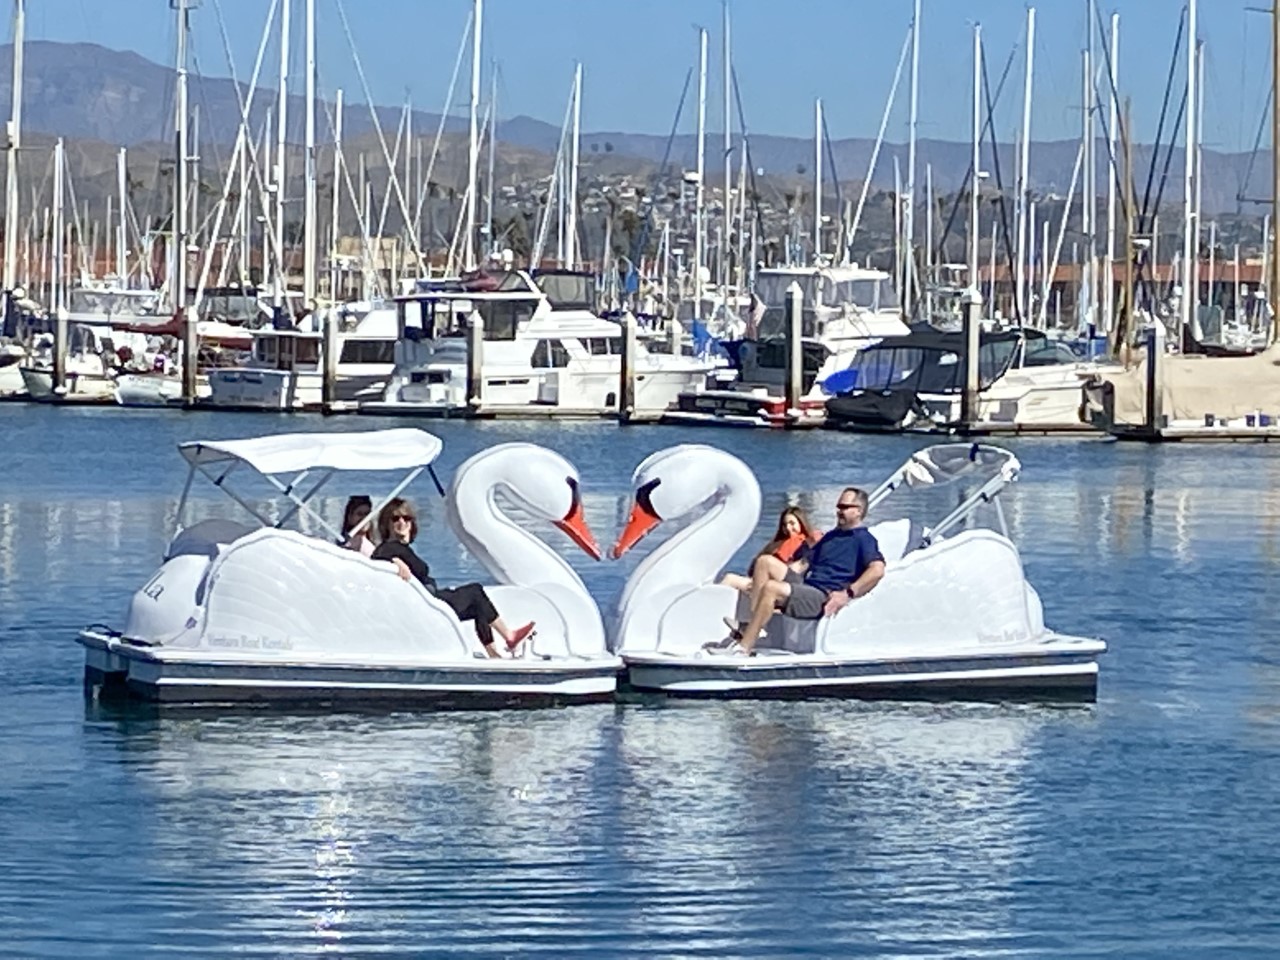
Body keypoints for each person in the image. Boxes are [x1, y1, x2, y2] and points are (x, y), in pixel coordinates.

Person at [729, 487, 886, 656]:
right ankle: (754, 626)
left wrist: (847, 593)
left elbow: (877, 570)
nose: (838, 511)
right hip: (807, 585)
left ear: (858, 511)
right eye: (838, 507)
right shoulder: (831, 536)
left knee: (772, 588)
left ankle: (745, 647)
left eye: (844, 507)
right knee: (765, 562)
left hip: (823, 594)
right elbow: (803, 563)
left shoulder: (864, 539)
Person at [371, 498, 535, 658]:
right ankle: (509, 636)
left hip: (427, 600)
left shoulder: (402, 548)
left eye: (407, 518)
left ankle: (494, 655)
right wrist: (394, 561)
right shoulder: (389, 548)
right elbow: (378, 557)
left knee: (478, 607)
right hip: (427, 605)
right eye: (395, 518)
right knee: (475, 592)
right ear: (386, 524)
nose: (402, 522)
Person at [719, 506, 820, 613]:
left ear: (801, 523)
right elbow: (752, 569)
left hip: (781, 587)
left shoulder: (807, 545)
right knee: (729, 578)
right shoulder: (777, 544)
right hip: (758, 583)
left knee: (730, 579)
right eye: (784, 525)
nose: (788, 528)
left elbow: (797, 570)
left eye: (792, 523)